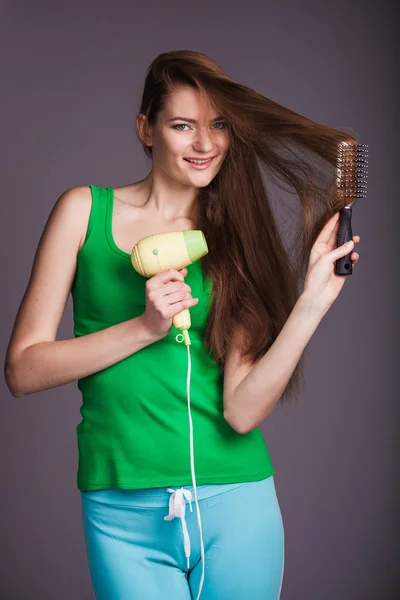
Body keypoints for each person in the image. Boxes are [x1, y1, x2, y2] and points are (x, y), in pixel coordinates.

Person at [4, 50, 360, 600]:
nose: (205, 144)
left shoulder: (233, 239)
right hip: (122, 507)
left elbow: (241, 411)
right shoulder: (83, 213)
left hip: (235, 500)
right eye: (182, 126)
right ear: (146, 129)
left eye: (218, 125)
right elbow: (23, 370)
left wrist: (312, 301)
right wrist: (145, 327)